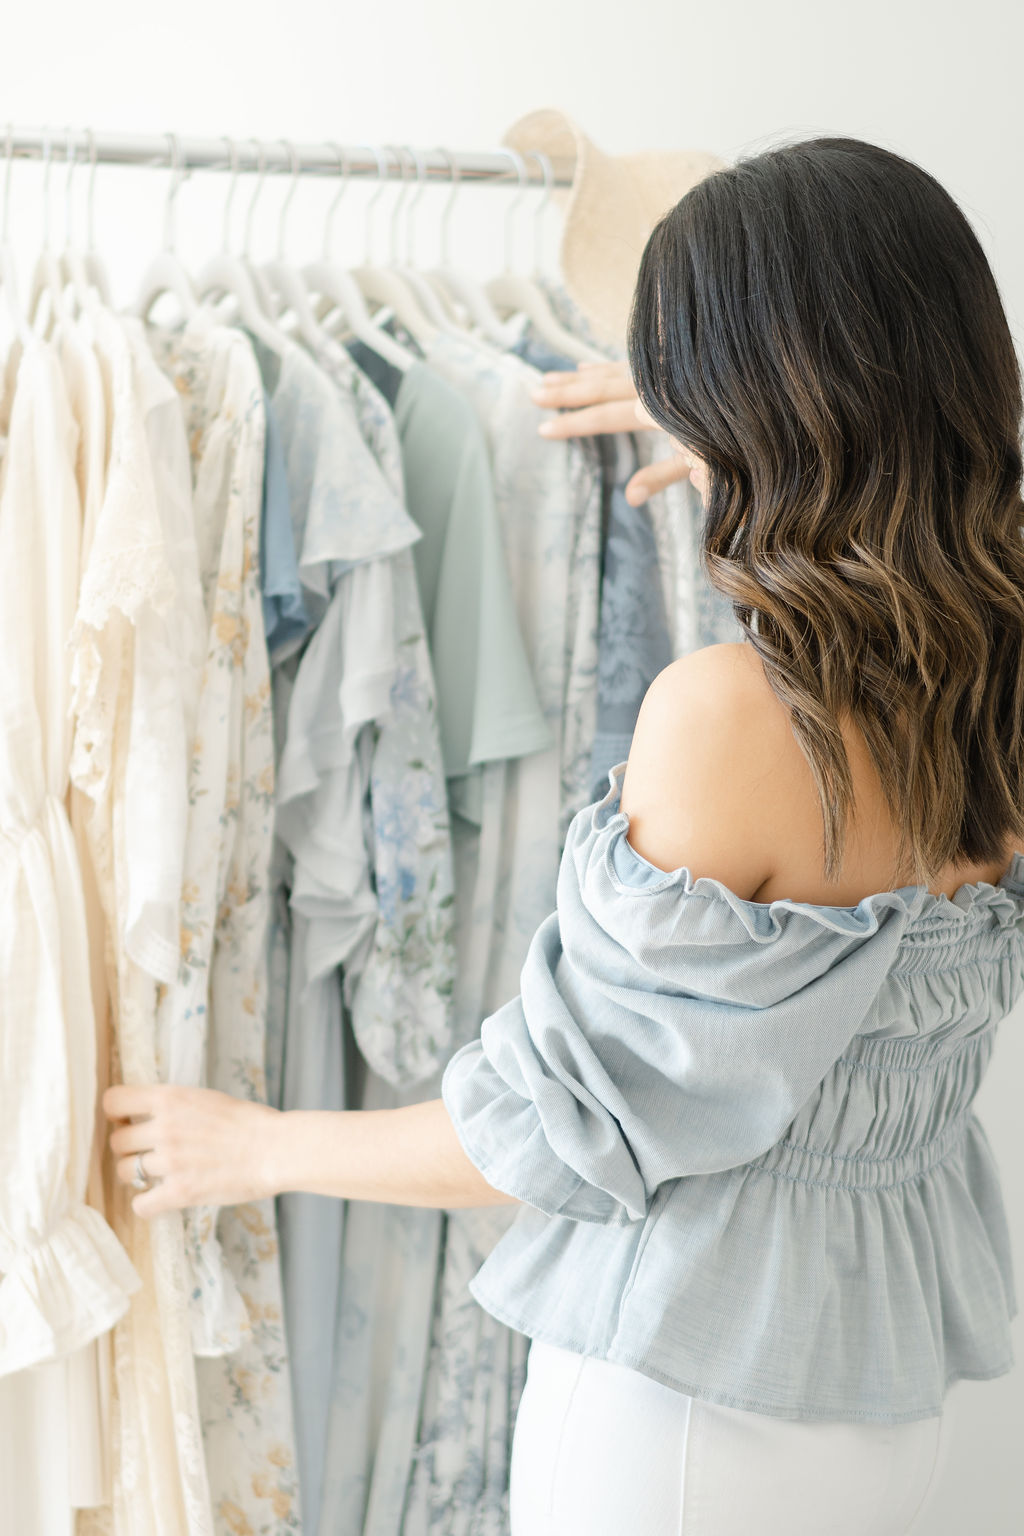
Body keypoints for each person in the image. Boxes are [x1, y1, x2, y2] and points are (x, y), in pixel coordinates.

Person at [105, 136, 1024, 1535]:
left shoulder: (731, 719)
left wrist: (254, 1146)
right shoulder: (993, 684)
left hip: (683, 1424)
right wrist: (746, 452)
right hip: (895, 1429)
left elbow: (556, 1128)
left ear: (760, 398)